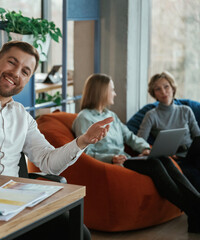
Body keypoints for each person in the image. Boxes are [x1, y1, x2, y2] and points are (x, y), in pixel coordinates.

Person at [0, 33, 113, 240]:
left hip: (11, 207)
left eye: (25, 71)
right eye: (12, 63)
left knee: (77, 232)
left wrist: (83, 141)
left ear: (27, 80)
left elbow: (48, 163)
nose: (16, 73)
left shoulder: (22, 117)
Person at [72, 73, 200, 233]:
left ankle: (196, 212)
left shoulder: (111, 116)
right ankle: (195, 210)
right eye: (112, 89)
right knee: (154, 164)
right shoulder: (84, 118)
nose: (115, 93)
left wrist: (147, 148)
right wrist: (110, 158)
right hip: (113, 162)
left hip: (125, 159)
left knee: (162, 159)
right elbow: (85, 153)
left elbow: (131, 137)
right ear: (101, 91)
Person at [138, 72, 200, 191]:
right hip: (172, 159)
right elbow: (140, 141)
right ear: (154, 93)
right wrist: (150, 151)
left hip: (193, 154)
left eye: (166, 86)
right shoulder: (151, 115)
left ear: (172, 88)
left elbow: (198, 136)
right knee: (193, 176)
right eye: (158, 89)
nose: (163, 92)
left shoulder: (186, 110)